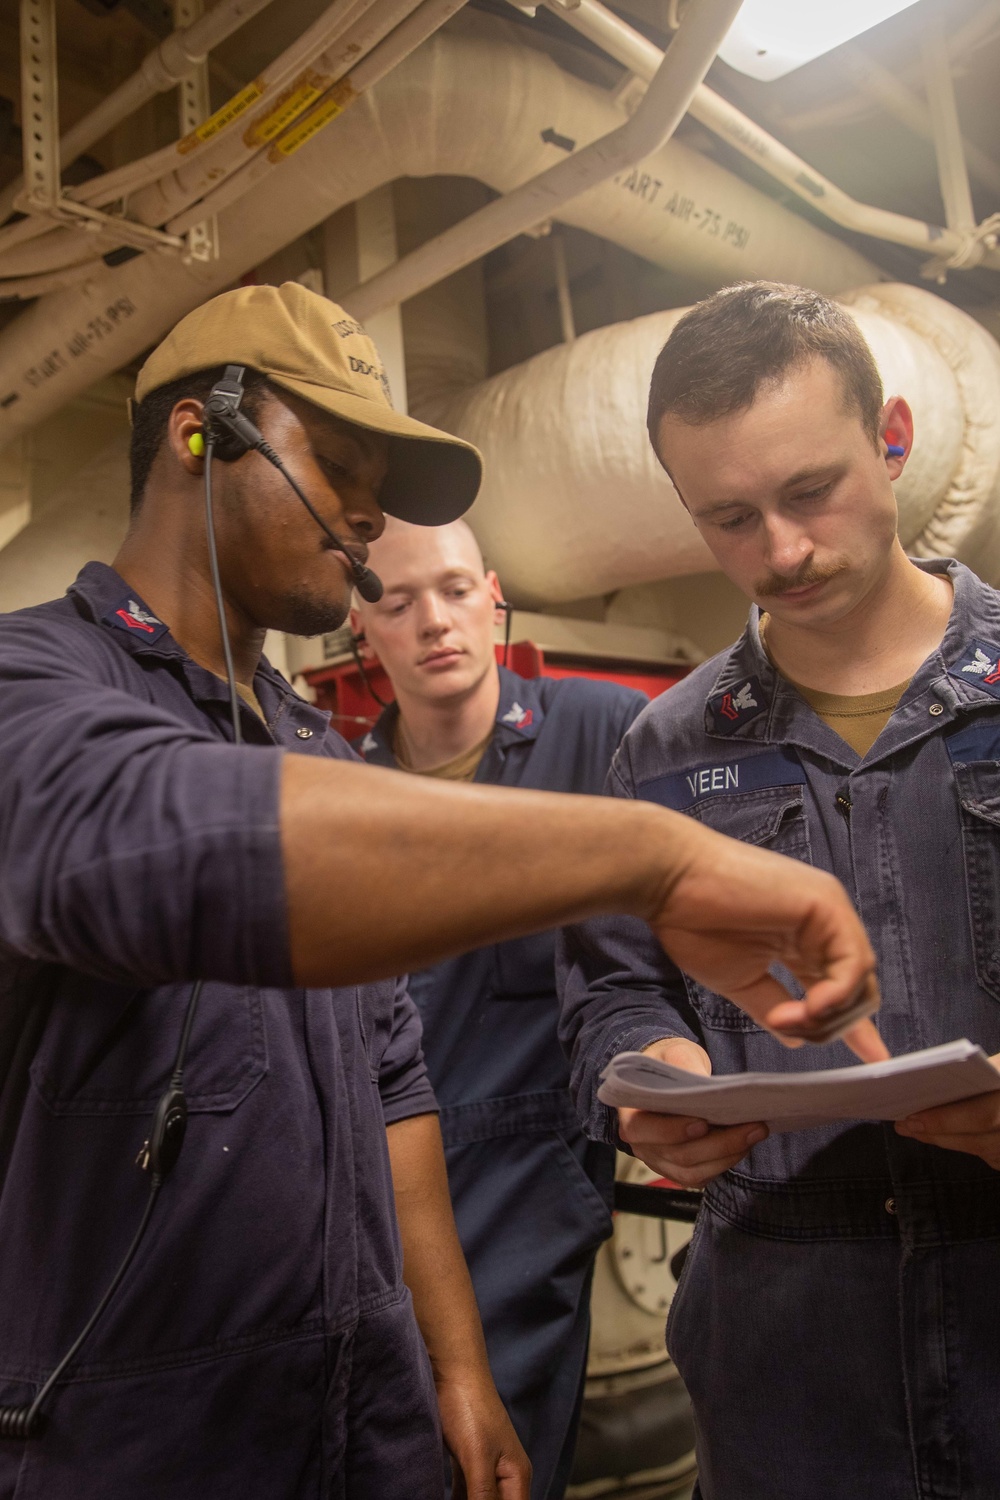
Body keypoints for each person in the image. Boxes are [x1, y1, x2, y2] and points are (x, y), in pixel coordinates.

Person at [0, 280, 882, 1500]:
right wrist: (651, 856)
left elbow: (390, 1078)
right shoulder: (30, 679)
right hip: (131, 1446)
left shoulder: (307, 744)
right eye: (344, 468)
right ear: (203, 435)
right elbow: (144, 832)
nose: (367, 519)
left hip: (363, 1417)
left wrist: (455, 1374)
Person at [559, 280, 1000, 1500]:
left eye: (810, 492)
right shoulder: (663, 750)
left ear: (892, 436)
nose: (781, 552)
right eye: (730, 519)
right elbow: (610, 989)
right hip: (791, 1372)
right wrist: (657, 1080)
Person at [351, 516, 647, 1499]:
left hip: (532, 1177)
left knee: (496, 1460)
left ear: (494, 596)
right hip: (375, 1178)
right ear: (362, 632)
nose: (434, 620)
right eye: (397, 601)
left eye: (452, 589)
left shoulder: (603, 732)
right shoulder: (338, 788)